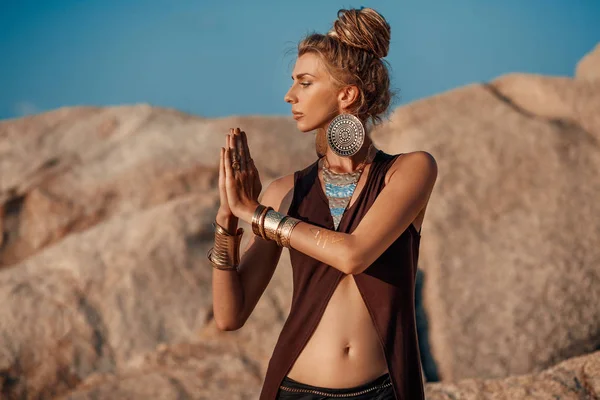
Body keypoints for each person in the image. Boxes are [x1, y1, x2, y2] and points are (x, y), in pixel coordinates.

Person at [209, 7, 437, 400]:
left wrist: (258, 215)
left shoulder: (408, 171)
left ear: (346, 94)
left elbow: (354, 254)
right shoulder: (285, 193)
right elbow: (230, 316)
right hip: (294, 389)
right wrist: (227, 222)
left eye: (305, 82)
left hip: (383, 391)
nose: (289, 95)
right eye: (293, 82)